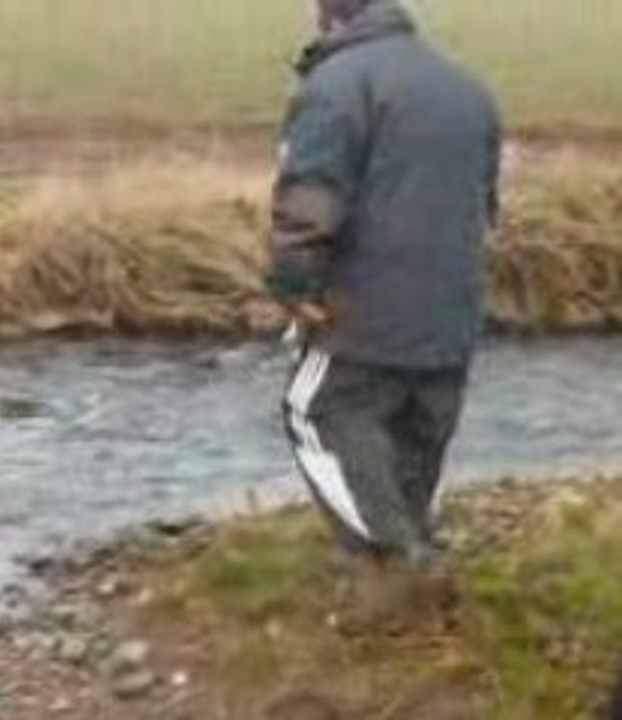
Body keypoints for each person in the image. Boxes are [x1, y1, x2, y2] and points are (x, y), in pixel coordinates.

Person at [269, 0, 501, 570]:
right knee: (409, 448)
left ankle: (405, 563)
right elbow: (487, 209)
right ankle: (407, 573)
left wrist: (293, 286)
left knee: (314, 412)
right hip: (452, 313)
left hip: (362, 312)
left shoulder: (335, 86)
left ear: (327, 16)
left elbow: (310, 202)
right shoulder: (468, 90)